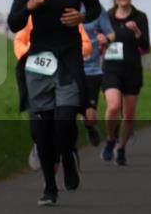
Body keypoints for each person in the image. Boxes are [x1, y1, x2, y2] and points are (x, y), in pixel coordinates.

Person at [8, 0, 102, 206]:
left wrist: (83, 18)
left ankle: (69, 155)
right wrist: (30, 7)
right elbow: (14, 23)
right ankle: (50, 188)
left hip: (69, 57)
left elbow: (96, 8)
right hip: (39, 58)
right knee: (42, 130)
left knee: (64, 122)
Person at [14, 15, 92, 169]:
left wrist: (67, 52)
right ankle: (39, 143)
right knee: (37, 124)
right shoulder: (31, 18)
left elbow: (86, 45)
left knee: (63, 123)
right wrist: (30, 52)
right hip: (37, 76)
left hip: (63, 77)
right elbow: (18, 42)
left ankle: (65, 156)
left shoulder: (69, 17)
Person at [100, 0, 149, 166]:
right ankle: (110, 139)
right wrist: (101, 39)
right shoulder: (107, 17)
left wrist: (136, 31)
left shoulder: (140, 17)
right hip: (111, 68)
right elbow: (100, 39)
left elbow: (145, 47)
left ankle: (121, 147)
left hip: (132, 70)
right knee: (113, 106)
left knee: (128, 115)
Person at [82, 5, 115, 148]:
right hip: (68, 68)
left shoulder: (96, 9)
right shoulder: (63, 4)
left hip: (91, 69)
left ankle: (90, 126)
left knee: (90, 116)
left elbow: (111, 34)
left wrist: (106, 39)